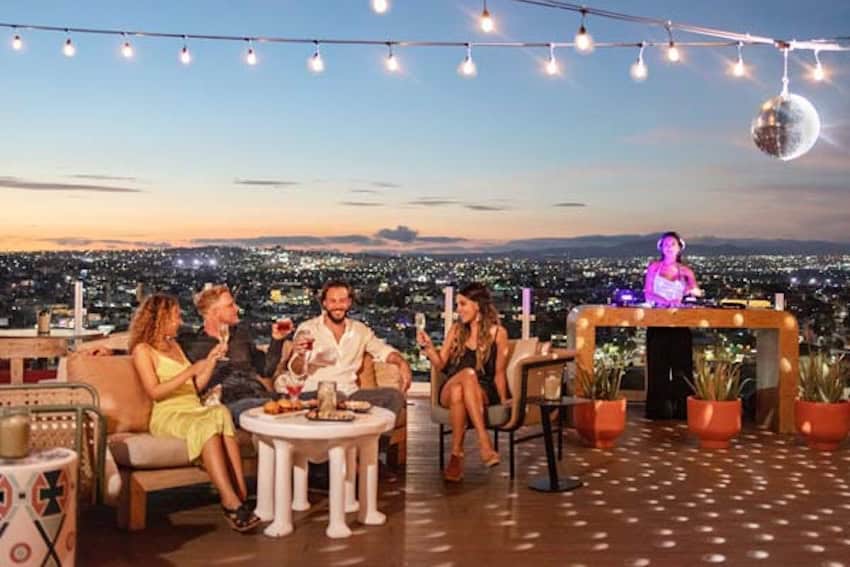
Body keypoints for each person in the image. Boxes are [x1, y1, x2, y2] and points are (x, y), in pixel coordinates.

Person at [129, 294, 260, 532]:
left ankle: (240, 493)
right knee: (207, 421)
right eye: (176, 315)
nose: (180, 321)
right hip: (168, 412)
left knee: (219, 412)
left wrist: (209, 361)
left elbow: (196, 388)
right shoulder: (143, 350)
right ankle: (230, 502)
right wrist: (189, 371)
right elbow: (154, 392)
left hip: (192, 406)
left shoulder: (175, 346)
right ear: (161, 317)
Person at [417, 282, 509, 482]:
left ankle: (456, 455)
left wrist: (504, 401)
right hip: (450, 386)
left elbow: (499, 373)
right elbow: (441, 364)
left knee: (462, 392)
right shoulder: (456, 330)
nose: (458, 310)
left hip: (481, 391)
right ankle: (484, 442)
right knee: (467, 375)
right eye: (458, 304)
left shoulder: (498, 334)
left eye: (463, 304)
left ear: (477, 305)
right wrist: (429, 347)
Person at [288, 280, 411, 416]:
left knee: (393, 396)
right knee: (334, 396)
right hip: (315, 393)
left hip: (350, 394)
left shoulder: (360, 330)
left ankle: (378, 437)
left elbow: (383, 351)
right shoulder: (308, 329)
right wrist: (300, 355)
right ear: (324, 303)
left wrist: (402, 363)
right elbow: (296, 371)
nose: (337, 306)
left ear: (349, 302)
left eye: (342, 300)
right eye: (332, 301)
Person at [178, 285, 291, 424]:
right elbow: (192, 387)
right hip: (231, 402)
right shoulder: (193, 345)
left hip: (260, 395)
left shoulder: (240, 335)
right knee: (279, 407)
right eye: (230, 305)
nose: (237, 309)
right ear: (213, 312)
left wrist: (277, 340)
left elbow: (266, 370)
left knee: (317, 398)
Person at [643, 231, 701, 420]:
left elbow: (695, 293)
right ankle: (657, 411)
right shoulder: (654, 267)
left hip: (679, 323)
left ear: (679, 247)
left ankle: (683, 411)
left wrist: (690, 289)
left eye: (673, 244)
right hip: (658, 322)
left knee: (682, 368)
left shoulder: (686, 270)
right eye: (666, 244)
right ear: (661, 247)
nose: (669, 247)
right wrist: (664, 301)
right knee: (657, 368)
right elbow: (648, 293)